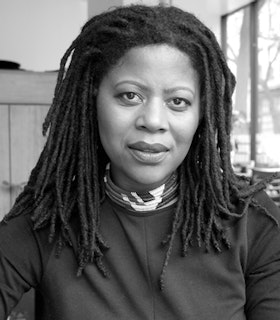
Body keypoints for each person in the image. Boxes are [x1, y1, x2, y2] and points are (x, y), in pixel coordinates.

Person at [1, 4, 280, 320]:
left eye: (178, 101)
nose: (153, 121)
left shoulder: (251, 221)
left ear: (201, 113)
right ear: (93, 99)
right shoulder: (49, 219)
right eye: (130, 96)